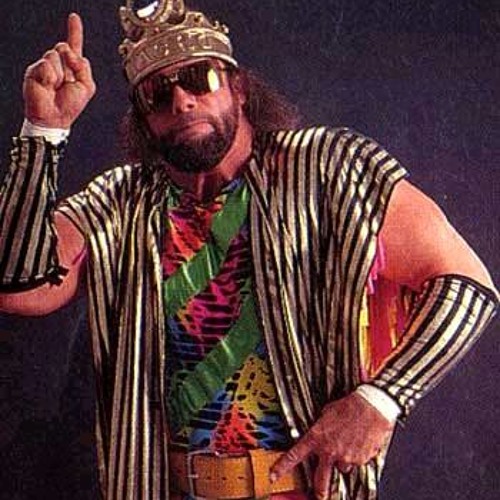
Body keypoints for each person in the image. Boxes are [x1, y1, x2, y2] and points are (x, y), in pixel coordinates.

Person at [0, 2, 497, 499]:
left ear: (238, 87)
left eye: (200, 79)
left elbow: (468, 283)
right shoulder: (119, 202)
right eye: (158, 93)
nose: (182, 101)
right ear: (143, 119)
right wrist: (43, 131)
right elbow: (20, 286)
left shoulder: (331, 170)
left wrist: (382, 399)